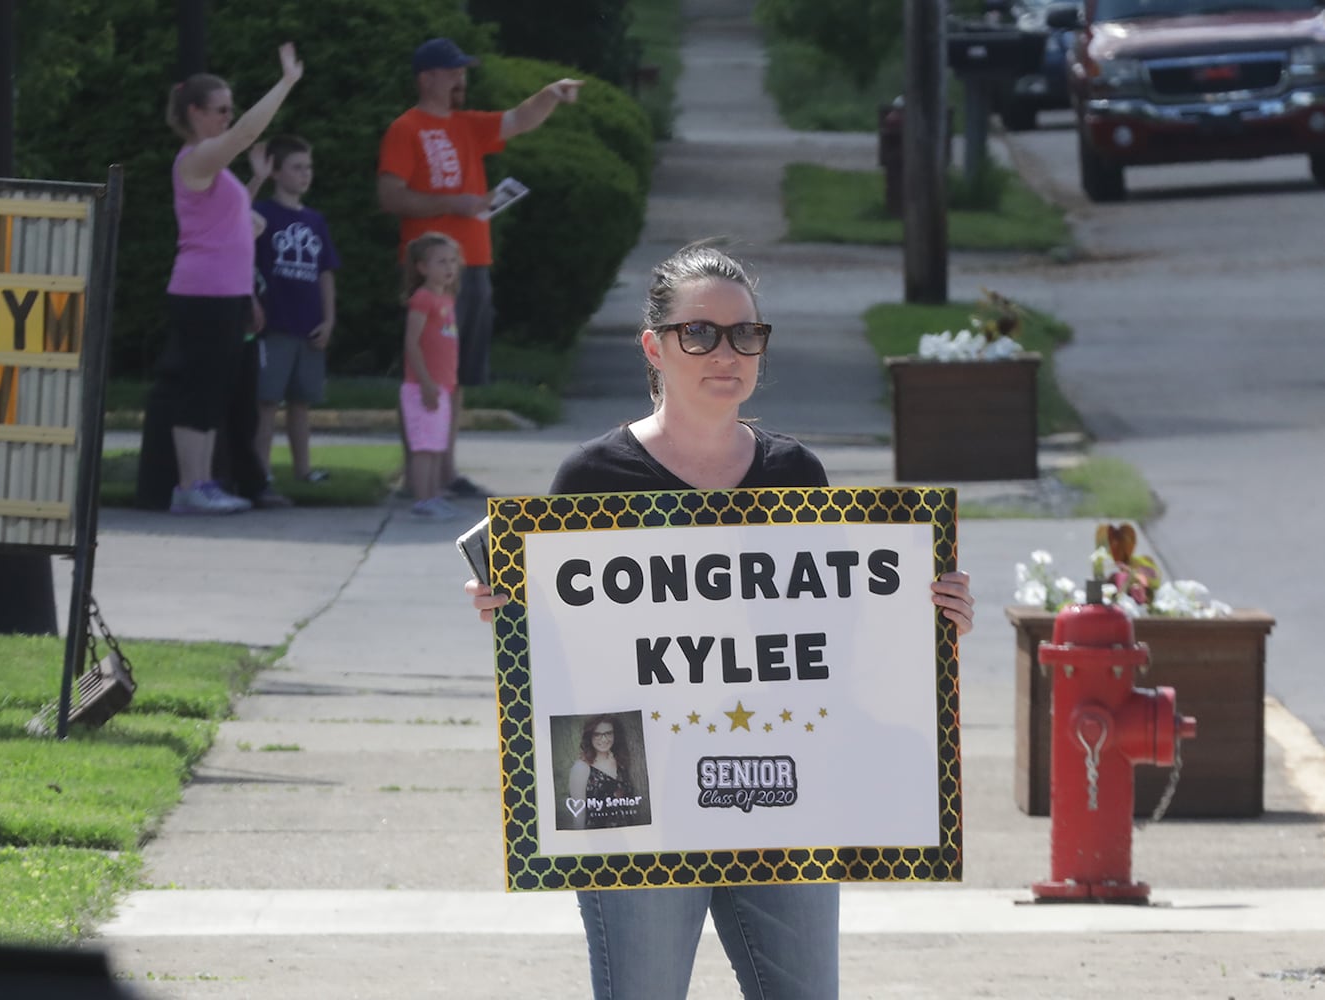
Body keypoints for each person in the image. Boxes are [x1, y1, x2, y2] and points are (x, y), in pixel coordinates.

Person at [465, 242, 977, 999]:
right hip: (639, 803)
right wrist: (510, 614)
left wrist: (930, 617)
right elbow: (565, 654)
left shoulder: (796, 473)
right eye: (699, 333)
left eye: (746, 334)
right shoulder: (591, 478)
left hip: (785, 792)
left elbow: (842, 633)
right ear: (654, 347)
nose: (726, 352)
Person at [377, 37, 583, 499]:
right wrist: (455, 202)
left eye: (463, 71)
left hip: (471, 264)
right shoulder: (406, 128)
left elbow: (518, 120)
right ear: (427, 77)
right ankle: (419, 477)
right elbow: (390, 196)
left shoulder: (468, 126)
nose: (461, 79)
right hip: (428, 271)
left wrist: (550, 93)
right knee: (423, 374)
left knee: (454, 374)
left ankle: (445, 473)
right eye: (452, 71)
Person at [162, 43, 303, 514]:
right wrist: (285, 83)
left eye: (229, 109)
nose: (228, 116)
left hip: (226, 292)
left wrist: (255, 190)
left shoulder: (213, 169)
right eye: (220, 109)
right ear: (196, 113)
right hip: (202, 292)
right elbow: (245, 134)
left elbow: (223, 220)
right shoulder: (196, 159)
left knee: (215, 388)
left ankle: (201, 482)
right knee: (199, 388)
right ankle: (190, 485)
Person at [247, 134, 340, 488]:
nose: (305, 174)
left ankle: (304, 470)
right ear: (276, 171)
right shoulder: (262, 214)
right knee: (267, 401)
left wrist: (329, 319)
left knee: (302, 403)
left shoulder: (316, 220)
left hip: (310, 326)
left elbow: (325, 272)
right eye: (297, 167)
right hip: (274, 324)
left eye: (309, 167)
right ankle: (260, 471)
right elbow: (242, 250)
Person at [400, 232, 462, 518]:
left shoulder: (446, 298)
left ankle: (434, 495)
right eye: (440, 262)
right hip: (422, 387)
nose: (449, 267)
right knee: (424, 446)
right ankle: (422, 499)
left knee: (437, 445)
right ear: (422, 267)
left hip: (443, 386)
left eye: (452, 261)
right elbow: (412, 342)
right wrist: (425, 381)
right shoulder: (423, 299)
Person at [567, 714, 635, 831]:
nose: (604, 739)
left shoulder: (620, 762)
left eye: (608, 733)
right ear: (589, 737)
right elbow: (579, 816)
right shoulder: (581, 768)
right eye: (597, 734)